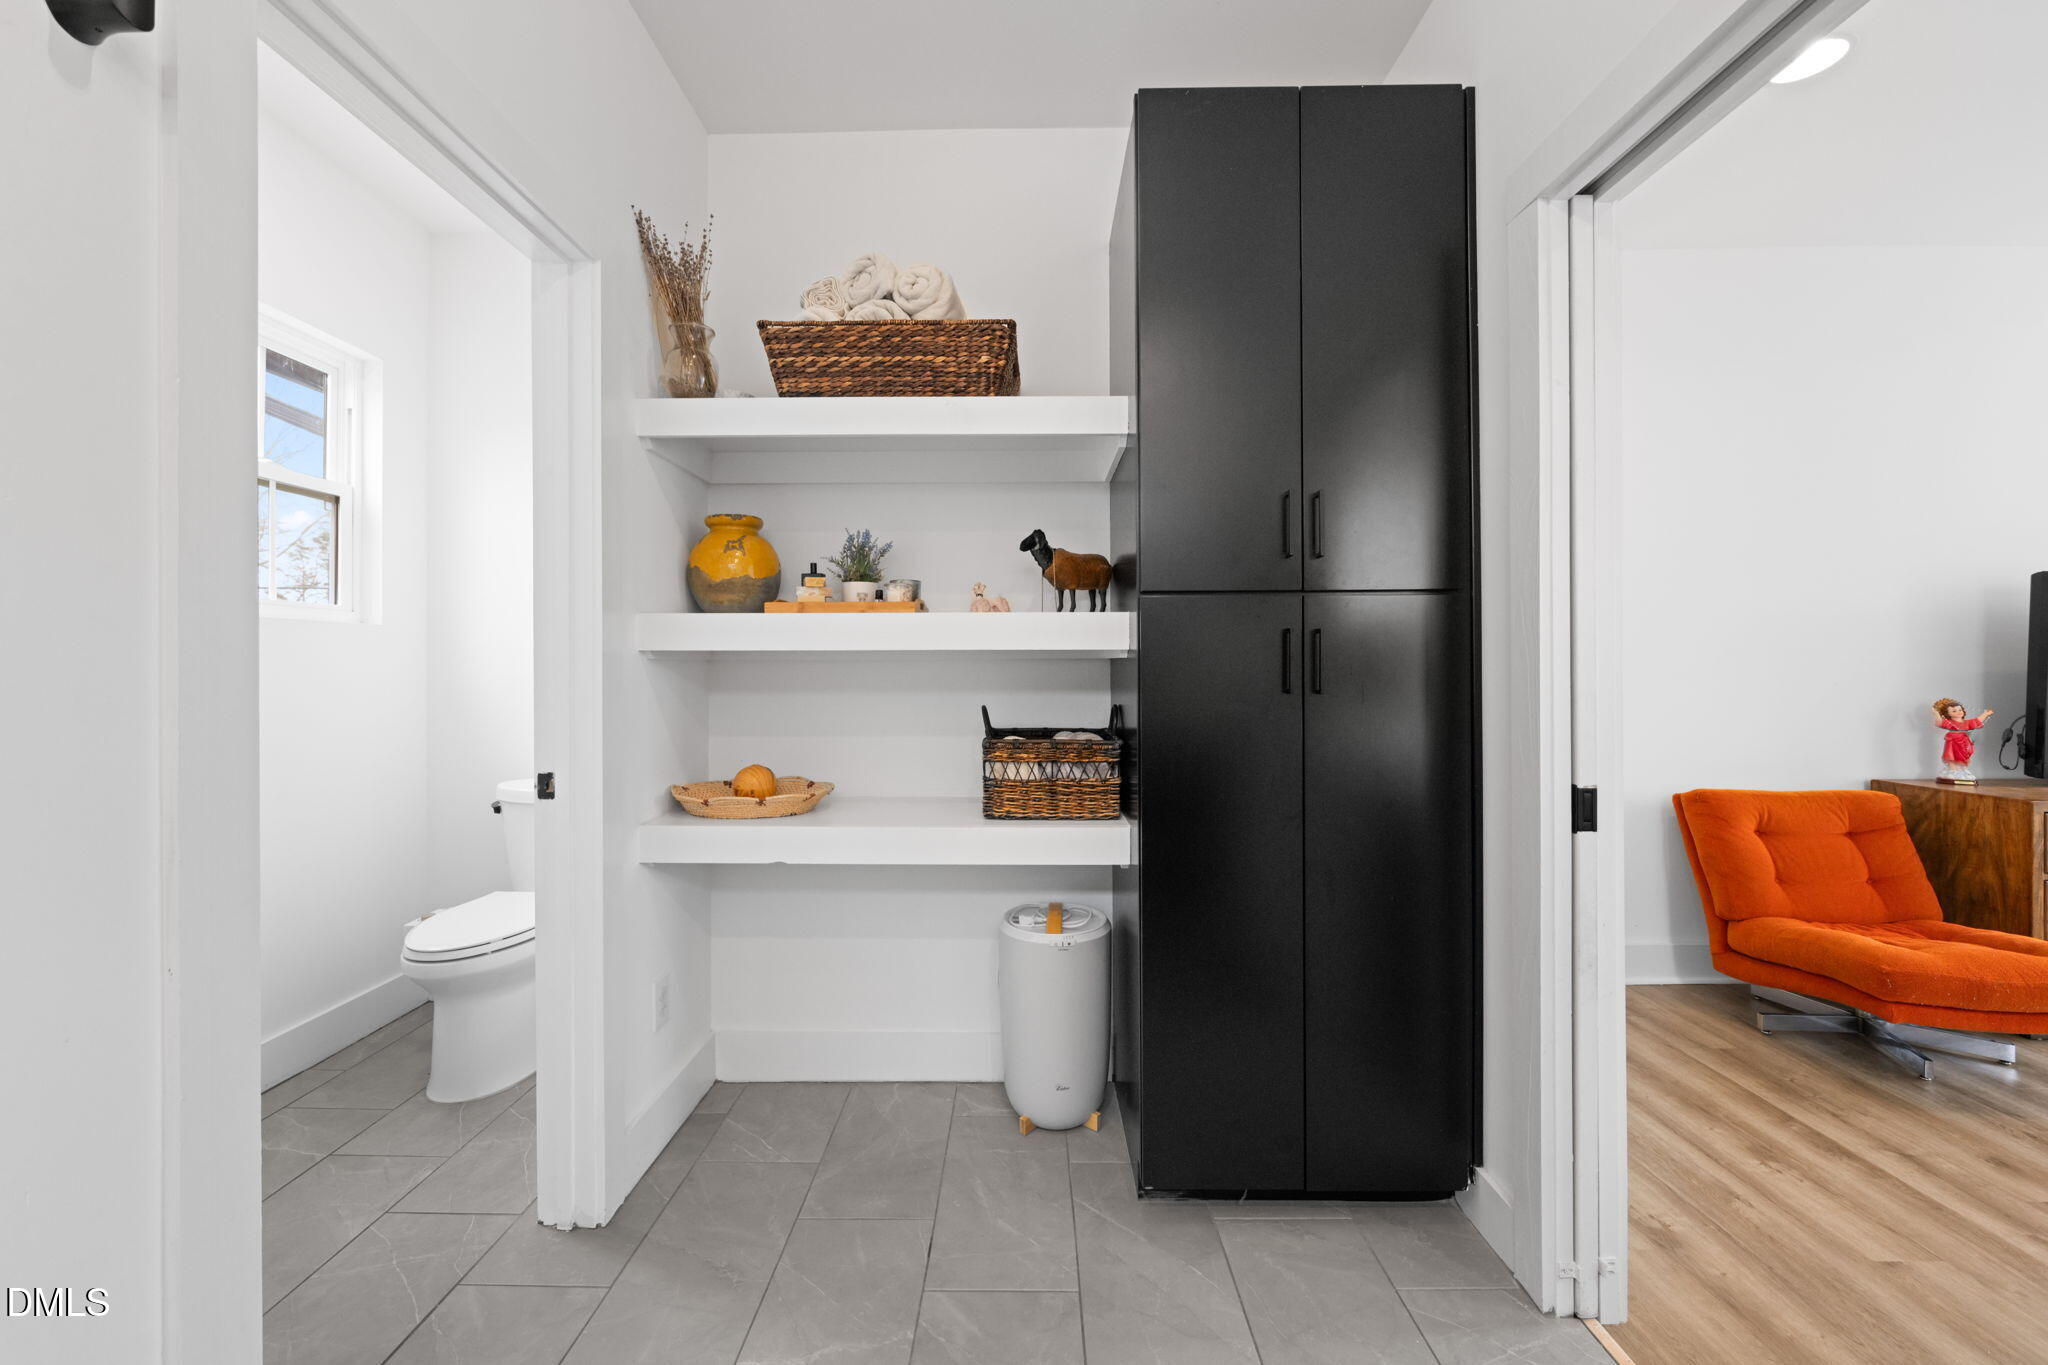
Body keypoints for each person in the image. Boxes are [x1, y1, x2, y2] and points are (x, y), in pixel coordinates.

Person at [1932, 697, 1994, 783]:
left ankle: (1962, 770)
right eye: (1954, 711)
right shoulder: (1950, 723)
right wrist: (1936, 714)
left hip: (1965, 741)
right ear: (1948, 714)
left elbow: (1976, 721)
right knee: (1951, 755)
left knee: (1964, 756)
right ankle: (1952, 770)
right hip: (1953, 741)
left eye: (1960, 710)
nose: (1958, 712)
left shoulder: (1967, 723)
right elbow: (1940, 722)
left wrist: (1986, 714)